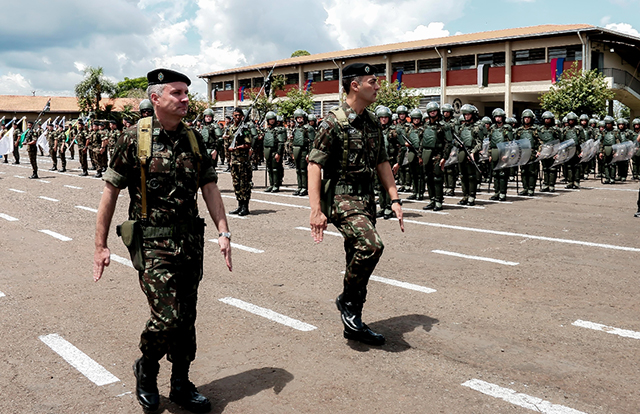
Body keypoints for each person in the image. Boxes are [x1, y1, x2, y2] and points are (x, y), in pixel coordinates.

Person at [93, 68, 232, 413]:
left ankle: (181, 383)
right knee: (167, 316)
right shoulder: (133, 139)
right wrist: (100, 245)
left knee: (186, 317)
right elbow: (110, 191)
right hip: (152, 242)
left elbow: (210, 187)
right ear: (156, 98)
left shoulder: (194, 139)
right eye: (177, 93)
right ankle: (148, 368)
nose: (186, 98)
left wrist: (224, 231)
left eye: (187, 92)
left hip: (189, 243)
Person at [308, 63, 404, 346]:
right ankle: (347, 301)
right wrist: (316, 210)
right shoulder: (333, 122)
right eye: (373, 82)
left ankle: (355, 324)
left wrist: (395, 199)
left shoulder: (373, 122)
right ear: (355, 85)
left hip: (366, 198)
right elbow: (315, 164)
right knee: (371, 245)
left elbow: (382, 162)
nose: (377, 87)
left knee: (356, 256)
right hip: (341, 196)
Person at [225, 107, 253, 215]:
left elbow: (248, 144)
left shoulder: (245, 129)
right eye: (235, 115)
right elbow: (227, 144)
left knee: (244, 184)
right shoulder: (231, 128)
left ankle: (245, 207)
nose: (237, 117)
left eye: (239, 115)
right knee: (236, 184)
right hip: (234, 160)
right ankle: (239, 205)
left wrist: (237, 148)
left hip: (243, 161)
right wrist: (230, 159)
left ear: (242, 116)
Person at [515, 109, 540, 196]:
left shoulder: (535, 130)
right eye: (525, 118)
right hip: (522, 153)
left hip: (532, 153)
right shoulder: (519, 131)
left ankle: (531, 189)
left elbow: (540, 142)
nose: (527, 119)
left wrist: (539, 151)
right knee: (523, 172)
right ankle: (525, 188)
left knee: (532, 172)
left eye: (528, 118)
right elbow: (515, 142)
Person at [262, 111, 286, 192]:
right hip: (267, 151)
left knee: (275, 169)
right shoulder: (267, 130)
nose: (271, 121)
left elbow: (281, 143)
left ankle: (276, 185)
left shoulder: (278, 130)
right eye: (270, 119)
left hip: (274, 151)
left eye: (273, 119)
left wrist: (278, 153)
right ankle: (271, 184)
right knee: (269, 169)